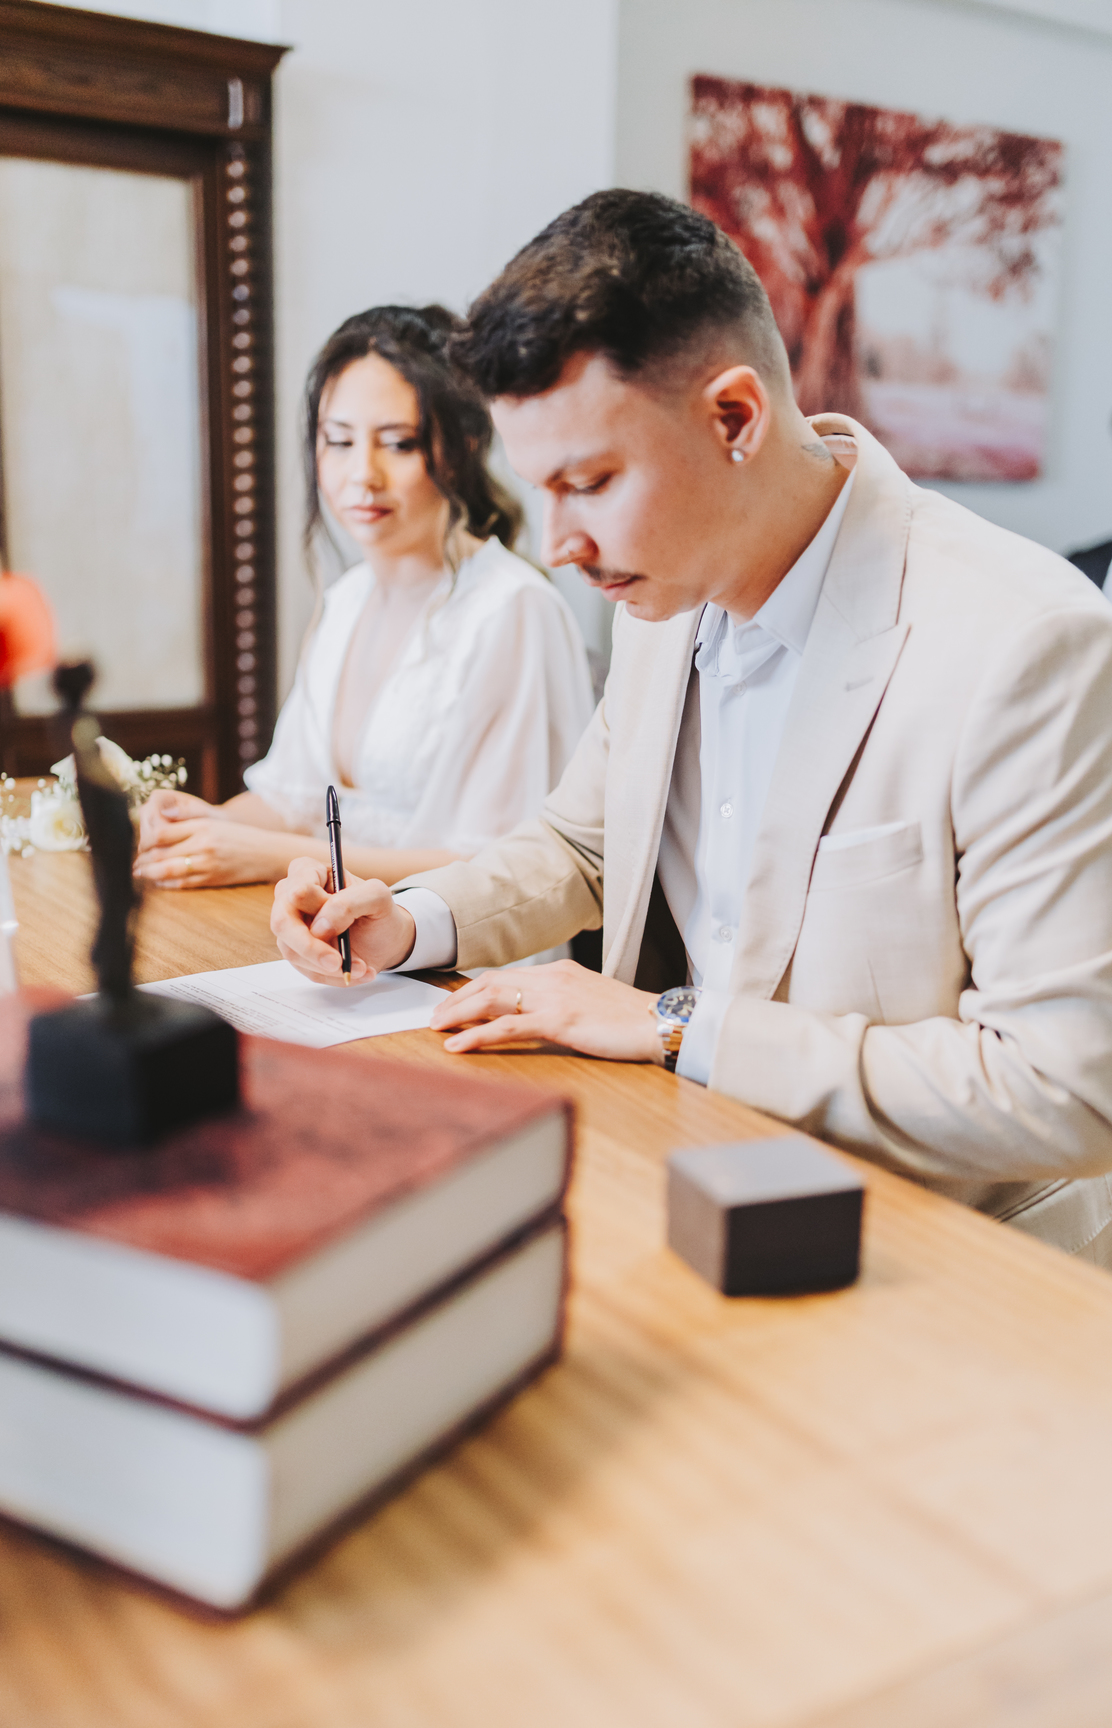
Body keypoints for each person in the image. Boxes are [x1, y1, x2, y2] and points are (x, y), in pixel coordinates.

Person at [271, 191, 1112, 1264]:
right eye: (543, 492)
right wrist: (409, 922)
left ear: (735, 419)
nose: (561, 544)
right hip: (675, 1180)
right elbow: (585, 842)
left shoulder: (1026, 644)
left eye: (591, 484)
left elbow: (1066, 1088)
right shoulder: (663, 593)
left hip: (936, 1255)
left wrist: (678, 1024)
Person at [134, 304, 593, 890]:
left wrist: (273, 856)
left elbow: (504, 866)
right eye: (339, 441)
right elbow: (290, 799)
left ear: (465, 444)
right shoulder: (347, 601)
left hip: (462, 964)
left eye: (398, 444)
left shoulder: (512, 610)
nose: (362, 475)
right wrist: (203, 824)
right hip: (342, 944)